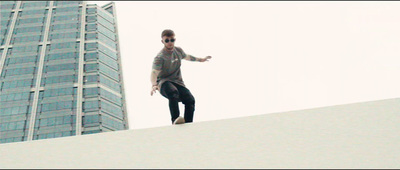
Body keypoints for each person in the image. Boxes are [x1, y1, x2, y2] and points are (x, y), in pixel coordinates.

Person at [150, 29, 212, 125]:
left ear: (175, 39)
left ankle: (188, 123)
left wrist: (201, 60)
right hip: (164, 84)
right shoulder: (160, 57)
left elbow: (188, 57)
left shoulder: (178, 51)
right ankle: (175, 120)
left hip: (178, 83)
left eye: (172, 40)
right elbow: (154, 72)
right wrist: (154, 85)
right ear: (162, 41)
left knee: (190, 100)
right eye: (167, 40)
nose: (170, 43)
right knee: (173, 92)